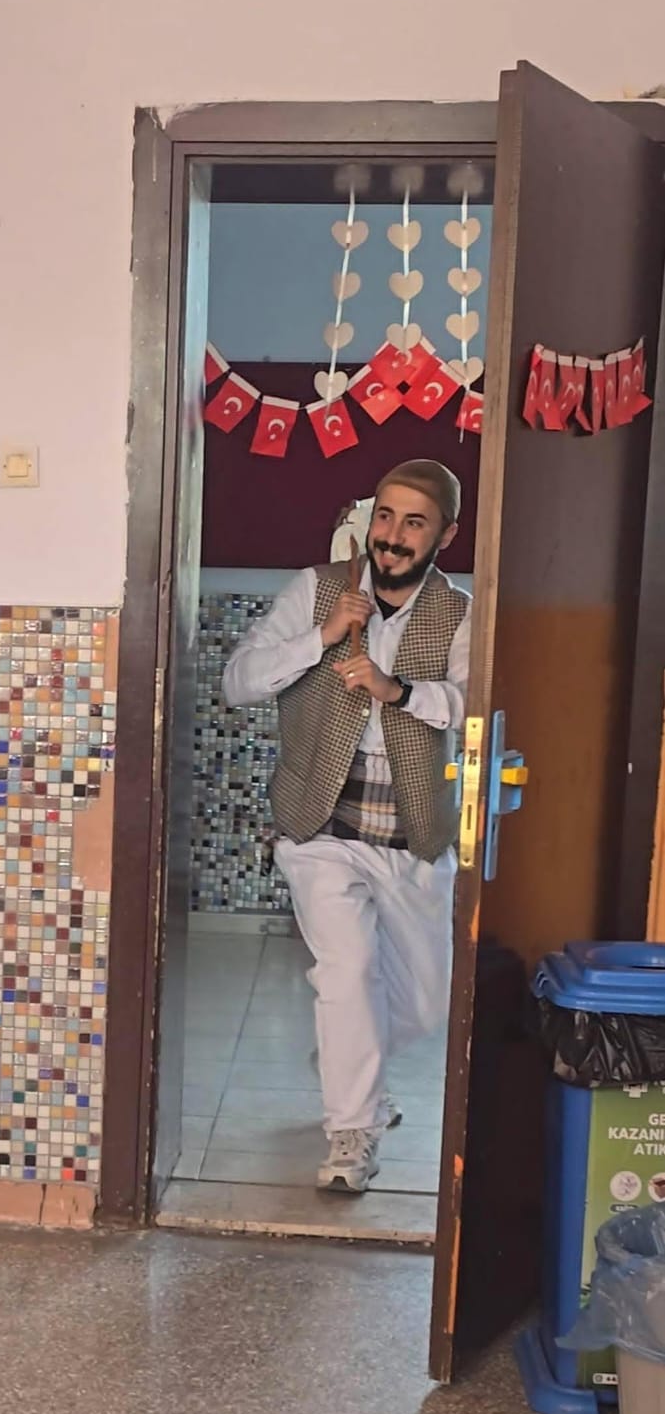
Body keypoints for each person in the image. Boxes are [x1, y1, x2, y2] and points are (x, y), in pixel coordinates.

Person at [223, 459, 471, 1194]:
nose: (392, 535)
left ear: (445, 536)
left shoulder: (461, 613)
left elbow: (478, 703)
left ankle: (347, 1056)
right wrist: (321, 637)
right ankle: (351, 1134)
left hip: (413, 831)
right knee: (348, 973)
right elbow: (238, 681)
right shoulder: (314, 589)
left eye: (414, 523)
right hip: (319, 825)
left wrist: (399, 691)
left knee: (425, 1002)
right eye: (384, 516)